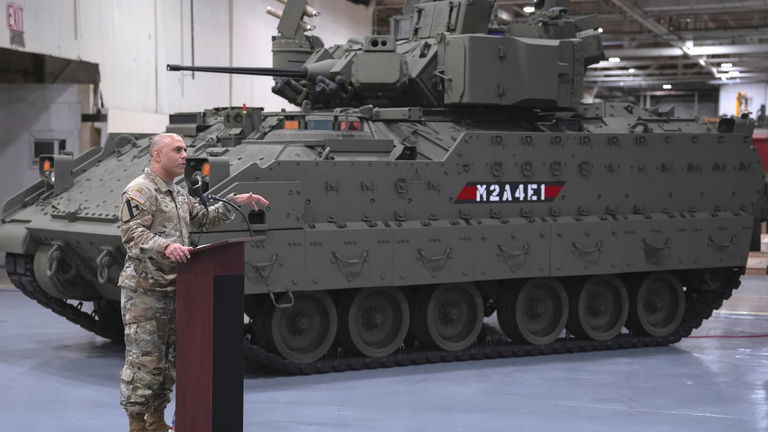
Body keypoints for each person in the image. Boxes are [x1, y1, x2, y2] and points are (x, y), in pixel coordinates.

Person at [117, 133, 268, 432]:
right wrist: (166, 246)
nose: (185, 155)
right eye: (178, 150)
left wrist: (235, 202)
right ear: (157, 155)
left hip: (179, 289)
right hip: (145, 292)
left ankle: (156, 421)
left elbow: (203, 218)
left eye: (185, 150)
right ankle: (136, 424)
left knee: (168, 364)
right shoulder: (140, 190)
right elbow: (131, 233)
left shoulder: (177, 193)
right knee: (145, 361)